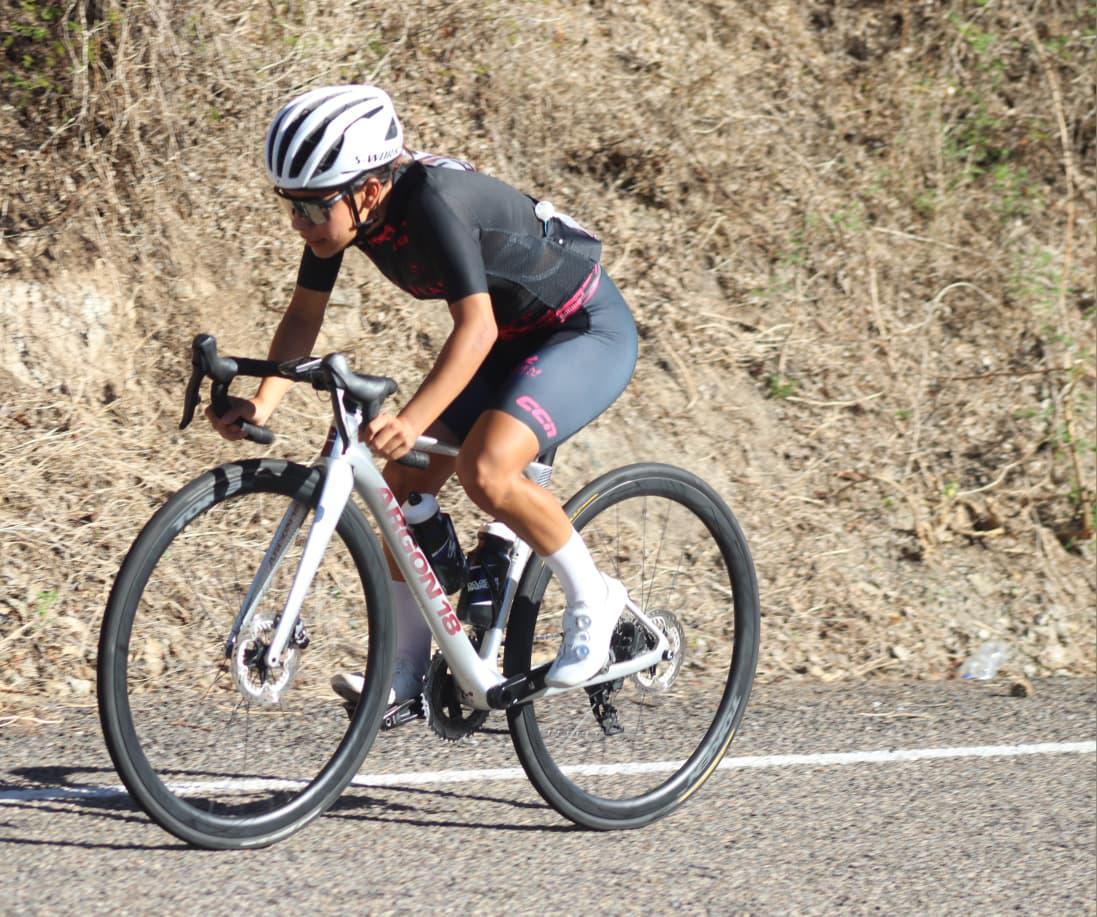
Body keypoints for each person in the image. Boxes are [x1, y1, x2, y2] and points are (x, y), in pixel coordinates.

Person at [207, 84, 638, 713]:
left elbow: (478, 329)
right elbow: (303, 316)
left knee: (486, 470)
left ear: (369, 190)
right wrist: (264, 403)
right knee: (401, 484)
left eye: (310, 206)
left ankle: (593, 597)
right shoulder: (343, 213)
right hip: (512, 342)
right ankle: (405, 671)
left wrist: (412, 419)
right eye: (288, 205)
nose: (298, 223)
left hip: (580, 331)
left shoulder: (433, 203)